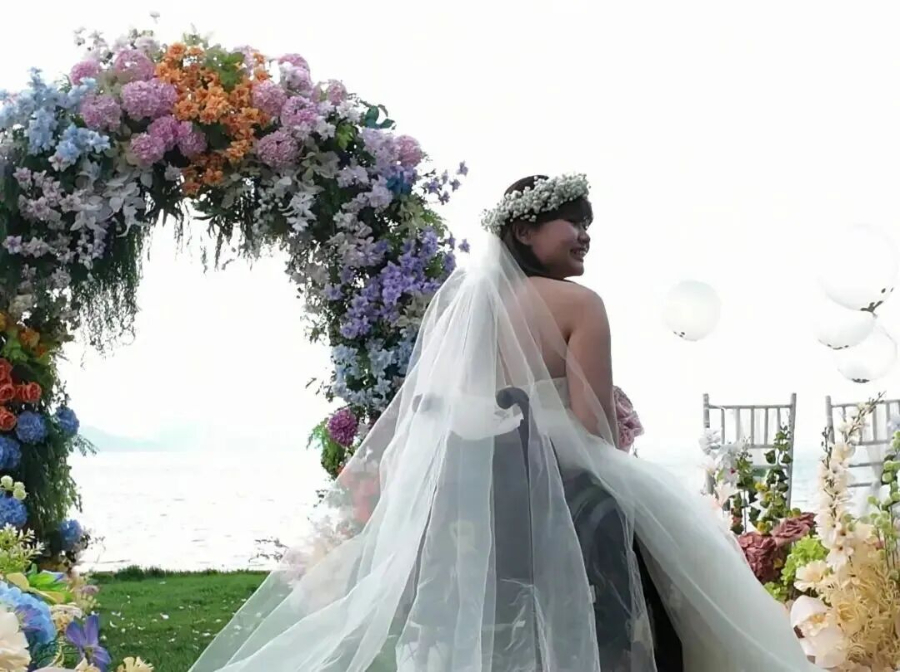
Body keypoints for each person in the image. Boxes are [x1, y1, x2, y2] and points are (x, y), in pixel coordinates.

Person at [191, 174, 817, 671]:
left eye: (588, 225)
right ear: (525, 229)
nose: (585, 236)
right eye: (574, 223)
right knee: (680, 572)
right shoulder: (581, 305)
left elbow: (450, 407)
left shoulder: (466, 307)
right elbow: (593, 431)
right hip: (566, 490)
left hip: (480, 495)